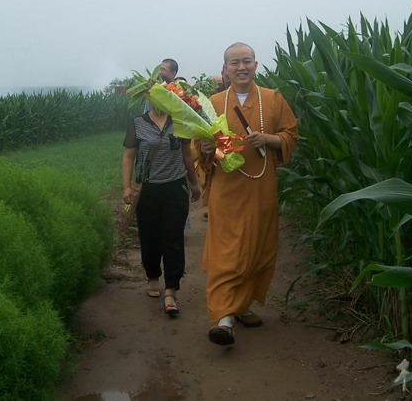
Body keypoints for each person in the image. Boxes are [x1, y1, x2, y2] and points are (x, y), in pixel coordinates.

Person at [199, 42, 298, 345]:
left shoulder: (273, 99)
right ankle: (224, 318)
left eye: (246, 61)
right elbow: (200, 147)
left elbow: (291, 136)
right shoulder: (213, 103)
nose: (241, 67)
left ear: (255, 65)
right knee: (227, 252)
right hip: (227, 191)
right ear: (226, 69)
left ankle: (240, 307)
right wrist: (205, 147)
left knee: (256, 249)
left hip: (260, 188)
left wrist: (268, 139)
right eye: (234, 63)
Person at [122, 102, 202, 315]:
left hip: (175, 188)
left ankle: (171, 290)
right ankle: (152, 276)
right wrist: (127, 186)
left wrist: (194, 183)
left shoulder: (179, 122)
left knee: (173, 238)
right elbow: (129, 156)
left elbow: (187, 155)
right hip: (148, 189)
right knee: (150, 237)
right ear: (149, 98)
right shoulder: (138, 124)